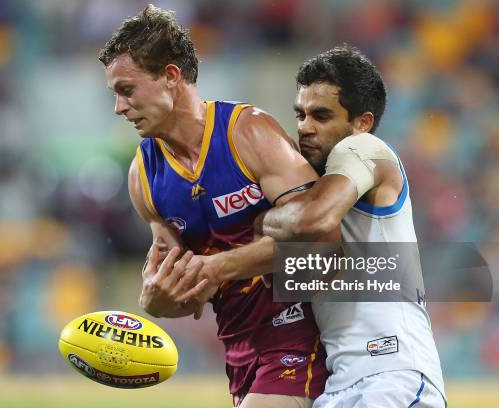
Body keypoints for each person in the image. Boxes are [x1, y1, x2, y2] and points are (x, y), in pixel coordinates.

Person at [180, 45, 447, 407]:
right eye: (301, 114)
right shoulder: (314, 182)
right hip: (340, 384)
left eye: (321, 116)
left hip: (392, 376)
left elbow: (312, 219)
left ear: (362, 122)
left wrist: (262, 220)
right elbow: (297, 276)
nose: (305, 127)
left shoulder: (367, 149)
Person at [98, 5, 331, 407]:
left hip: (301, 334)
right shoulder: (144, 177)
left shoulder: (249, 134)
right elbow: (187, 290)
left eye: (127, 90)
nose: (119, 108)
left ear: (171, 76)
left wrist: (217, 266)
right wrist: (156, 301)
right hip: (239, 353)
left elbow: (324, 241)